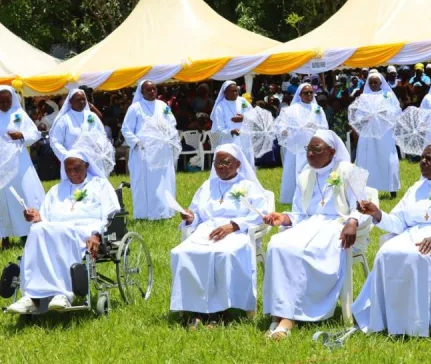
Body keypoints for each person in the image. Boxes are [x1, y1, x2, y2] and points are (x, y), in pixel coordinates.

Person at [352, 143, 431, 337]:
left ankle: (415, 324)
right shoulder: (417, 187)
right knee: (385, 252)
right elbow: (399, 221)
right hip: (411, 234)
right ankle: (386, 319)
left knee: (417, 256)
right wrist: (377, 213)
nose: (423, 162)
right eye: (422, 158)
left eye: (429, 158)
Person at [262, 130, 367, 340]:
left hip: (337, 226)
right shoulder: (304, 174)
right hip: (309, 225)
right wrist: (283, 218)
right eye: (308, 150)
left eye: (316, 150)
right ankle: (280, 311)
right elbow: (300, 213)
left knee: (308, 250)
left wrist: (353, 221)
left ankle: (288, 318)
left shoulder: (347, 170)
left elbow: (364, 206)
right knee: (277, 244)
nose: (310, 154)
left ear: (332, 151)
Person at [6, 151, 120, 313]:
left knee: (64, 231)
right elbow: (45, 218)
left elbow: (111, 214)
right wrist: (37, 217)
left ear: (87, 166)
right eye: (68, 170)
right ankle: (32, 297)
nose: (72, 173)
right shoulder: (56, 190)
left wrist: (98, 234)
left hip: (85, 230)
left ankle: (63, 293)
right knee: (37, 229)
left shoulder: (100, 185)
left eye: (77, 169)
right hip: (56, 229)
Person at [170, 144, 269, 328]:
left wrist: (233, 226)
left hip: (237, 231)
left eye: (226, 162)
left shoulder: (248, 186)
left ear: (237, 164)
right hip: (207, 230)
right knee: (182, 252)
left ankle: (220, 311)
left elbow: (260, 214)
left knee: (223, 254)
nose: (221, 167)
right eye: (217, 163)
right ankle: (195, 309)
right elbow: (197, 212)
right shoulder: (207, 185)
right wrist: (190, 217)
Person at [121, 80, 179, 220]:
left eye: (154, 89)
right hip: (144, 152)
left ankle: (166, 211)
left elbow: (172, 122)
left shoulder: (162, 105)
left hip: (161, 151)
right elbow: (126, 128)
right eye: (149, 90)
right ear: (142, 92)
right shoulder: (135, 108)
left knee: (164, 180)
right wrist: (136, 142)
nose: (152, 92)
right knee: (147, 183)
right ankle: (146, 214)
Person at [0, 86, 45, 250]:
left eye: (7, 101)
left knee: (25, 194)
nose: (4, 104)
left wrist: (22, 135)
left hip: (20, 163)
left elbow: (34, 134)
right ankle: (5, 236)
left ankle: (28, 231)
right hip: (1, 165)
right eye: (1, 101)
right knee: (3, 200)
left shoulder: (19, 114)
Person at [279, 83, 328, 204]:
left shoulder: (318, 109)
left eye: (312, 92)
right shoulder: (291, 110)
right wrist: (284, 131)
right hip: (296, 146)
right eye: (306, 93)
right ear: (300, 94)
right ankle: (294, 198)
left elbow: (325, 127)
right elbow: (282, 125)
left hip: (313, 147)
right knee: (295, 171)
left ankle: (313, 197)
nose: (310, 95)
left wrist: (315, 127)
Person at [355, 72, 401, 198]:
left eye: (376, 82)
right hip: (368, 134)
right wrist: (366, 117)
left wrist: (384, 114)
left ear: (381, 83)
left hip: (385, 132)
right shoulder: (364, 97)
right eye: (371, 82)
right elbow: (358, 116)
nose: (373, 84)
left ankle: (392, 189)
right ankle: (365, 190)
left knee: (388, 159)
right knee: (368, 160)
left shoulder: (388, 95)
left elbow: (397, 112)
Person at [49, 88, 105, 162]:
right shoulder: (64, 119)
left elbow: (102, 134)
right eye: (78, 99)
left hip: (93, 159)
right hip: (73, 162)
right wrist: (66, 156)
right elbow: (55, 142)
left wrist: (99, 146)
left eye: (84, 99)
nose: (82, 102)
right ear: (71, 101)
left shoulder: (91, 116)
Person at [209, 81, 254, 166]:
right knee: (231, 164)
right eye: (232, 91)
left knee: (246, 163)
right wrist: (231, 132)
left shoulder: (243, 102)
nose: (235, 93)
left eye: (236, 90)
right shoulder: (220, 107)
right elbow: (219, 129)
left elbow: (252, 114)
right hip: (229, 140)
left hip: (245, 138)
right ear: (225, 93)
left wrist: (243, 118)